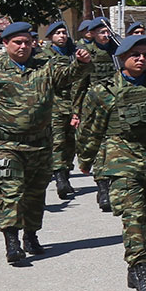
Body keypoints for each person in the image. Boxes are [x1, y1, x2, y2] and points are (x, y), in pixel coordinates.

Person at [0, 23, 79, 266]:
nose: (23, 46)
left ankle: (31, 236)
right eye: (17, 42)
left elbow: (69, 76)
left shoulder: (45, 67)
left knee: (35, 194)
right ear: (5, 44)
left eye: (27, 42)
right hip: (6, 144)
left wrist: (82, 63)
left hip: (40, 144)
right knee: (11, 192)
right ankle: (11, 241)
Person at [77, 33, 146, 291]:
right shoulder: (103, 91)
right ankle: (142, 269)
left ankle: (134, 265)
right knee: (134, 218)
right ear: (121, 58)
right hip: (121, 162)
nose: (141, 59)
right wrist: (86, 159)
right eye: (134, 55)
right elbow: (91, 128)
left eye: (145, 55)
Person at [72, 18, 119, 212]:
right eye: (101, 32)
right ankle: (102, 188)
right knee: (98, 146)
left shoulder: (118, 51)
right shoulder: (87, 53)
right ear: (92, 34)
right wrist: (76, 112)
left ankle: (111, 187)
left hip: (116, 104)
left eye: (108, 31)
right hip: (94, 105)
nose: (106, 35)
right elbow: (79, 85)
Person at [40, 21, 81, 200]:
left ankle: (66, 173)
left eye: (64, 33)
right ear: (50, 37)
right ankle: (59, 178)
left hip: (73, 103)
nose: (62, 36)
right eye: (58, 33)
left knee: (71, 143)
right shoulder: (44, 56)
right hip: (54, 104)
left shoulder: (73, 53)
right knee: (57, 141)